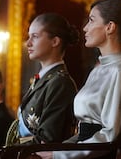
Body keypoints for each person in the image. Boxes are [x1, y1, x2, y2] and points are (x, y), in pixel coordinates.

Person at [36, 0, 121, 159]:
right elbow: (84, 133)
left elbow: (110, 135)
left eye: (91, 20)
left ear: (110, 27)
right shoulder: (97, 71)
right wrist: (56, 150)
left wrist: (59, 155)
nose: (84, 28)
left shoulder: (119, 71)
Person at [7, 13, 78, 146]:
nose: (28, 43)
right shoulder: (44, 79)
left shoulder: (60, 83)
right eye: (29, 37)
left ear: (55, 41)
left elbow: (48, 138)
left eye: (35, 36)